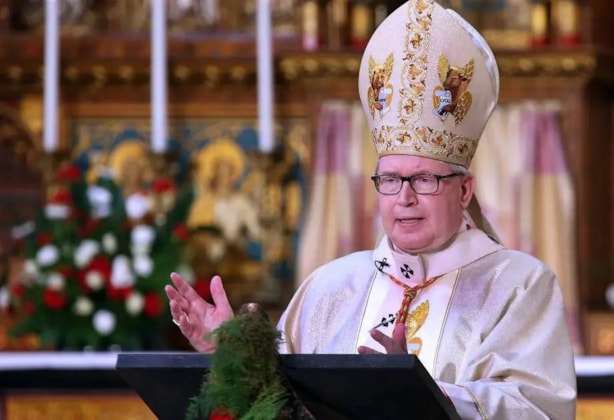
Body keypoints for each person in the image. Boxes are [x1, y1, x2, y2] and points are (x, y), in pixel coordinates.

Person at [166, 0, 577, 418]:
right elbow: (280, 404)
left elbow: (537, 409)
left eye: (425, 179)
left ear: (464, 190)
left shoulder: (519, 285)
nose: (405, 197)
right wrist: (230, 355)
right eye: (391, 180)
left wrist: (417, 392)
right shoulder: (329, 288)